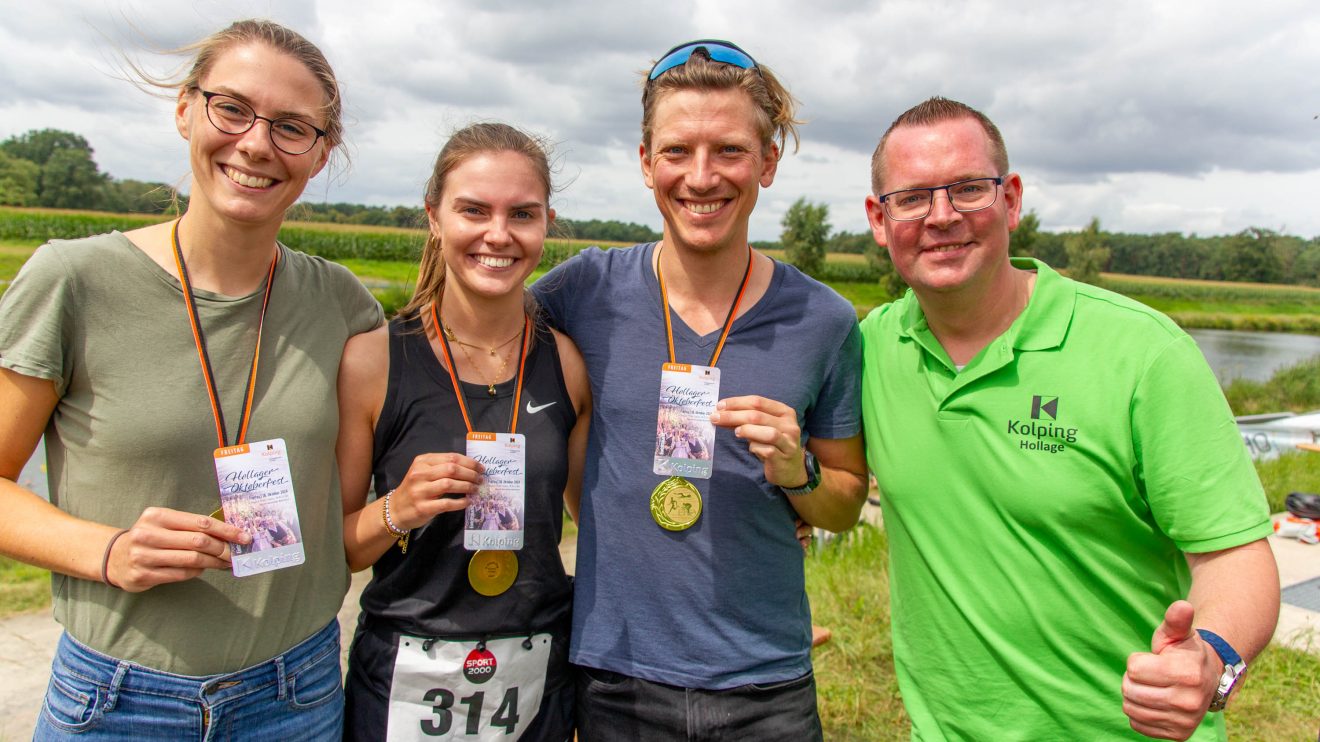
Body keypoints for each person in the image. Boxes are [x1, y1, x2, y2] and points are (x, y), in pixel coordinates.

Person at [0, 20, 382, 737]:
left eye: (293, 127)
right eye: (231, 108)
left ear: (321, 153)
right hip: (119, 702)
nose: (257, 144)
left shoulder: (341, 303)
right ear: (185, 109)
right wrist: (108, 551)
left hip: (294, 696)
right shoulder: (72, 281)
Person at [859, 97, 1280, 740]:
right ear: (879, 220)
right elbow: (820, 478)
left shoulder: (1144, 353)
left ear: (1012, 199)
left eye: (968, 189)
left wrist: (1214, 658)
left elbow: (1236, 556)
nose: (941, 216)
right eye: (912, 198)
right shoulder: (869, 348)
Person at [532, 40, 868, 740]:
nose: (702, 176)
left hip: (765, 683)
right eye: (678, 150)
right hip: (614, 672)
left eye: (730, 151)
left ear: (769, 162)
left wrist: (796, 470)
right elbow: (467, 337)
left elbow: (839, 505)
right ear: (646, 160)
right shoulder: (579, 293)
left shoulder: (825, 322)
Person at [338, 122, 590, 741]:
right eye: (473, 210)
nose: (498, 235)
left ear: (546, 223)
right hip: (400, 681)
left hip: (535, 683)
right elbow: (338, 548)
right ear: (434, 216)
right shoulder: (372, 361)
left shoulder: (566, 362)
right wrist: (397, 509)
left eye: (522, 214)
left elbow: (599, 519)